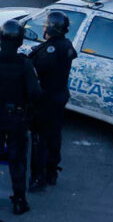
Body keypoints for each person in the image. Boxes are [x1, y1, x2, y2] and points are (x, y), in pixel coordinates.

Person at [0, 19, 41, 214]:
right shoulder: (24, 65)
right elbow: (35, 93)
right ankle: (19, 200)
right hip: (17, 118)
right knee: (17, 161)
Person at [28, 11, 77, 192]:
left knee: (40, 139)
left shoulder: (50, 50)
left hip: (46, 99)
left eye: (46, 25)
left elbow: (37, 67)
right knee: (54, 135)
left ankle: (38, 177)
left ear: (52, 28)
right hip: (59, 96)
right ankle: (51, 172)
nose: (43, 28)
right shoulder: (66, 45)